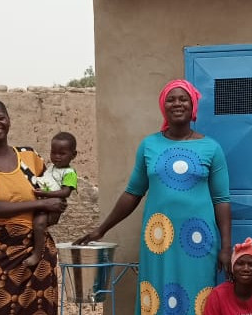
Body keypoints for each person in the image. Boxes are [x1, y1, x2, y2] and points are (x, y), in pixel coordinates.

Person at [74, 79, 232, 315]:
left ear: (193, 106)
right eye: (171, 99)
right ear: (162, 106)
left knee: (199, 295)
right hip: (159, 238)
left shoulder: (212, 148)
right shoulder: (149, 145)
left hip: (199, 239)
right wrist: (101, 229)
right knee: (158, 295)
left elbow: (221, 201)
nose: (177, 103)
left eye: (183, 99)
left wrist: (227, 246)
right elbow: (132, 193)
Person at [0, 99, 67, 315]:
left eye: (0, 117)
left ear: (9, 120)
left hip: (38, 252)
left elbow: (54, 195)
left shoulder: (30, 157)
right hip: (0, 255)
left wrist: (54, 208)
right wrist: (41, 203)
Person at [23, 131, 78, 266]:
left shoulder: (69, 173)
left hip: (53, 206)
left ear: (73, 155)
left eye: (62, 153)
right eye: (54, 153)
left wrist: (46, 195)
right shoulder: (51, 168)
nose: (57, 157)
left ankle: (37, 254)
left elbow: (65, 192)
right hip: (44, 203)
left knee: (39, 223)